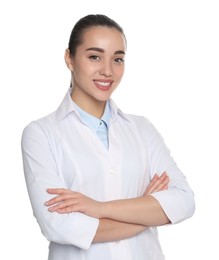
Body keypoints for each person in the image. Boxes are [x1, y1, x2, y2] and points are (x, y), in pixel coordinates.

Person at [21, 14, 195, 260]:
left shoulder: (142, 129)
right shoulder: (40, 134)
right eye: (94, 56)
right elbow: (58, 226)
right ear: (69, 58)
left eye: (118, 59)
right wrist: (148, 210)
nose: (107, 70)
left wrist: (100, 208)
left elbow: (184, 202)